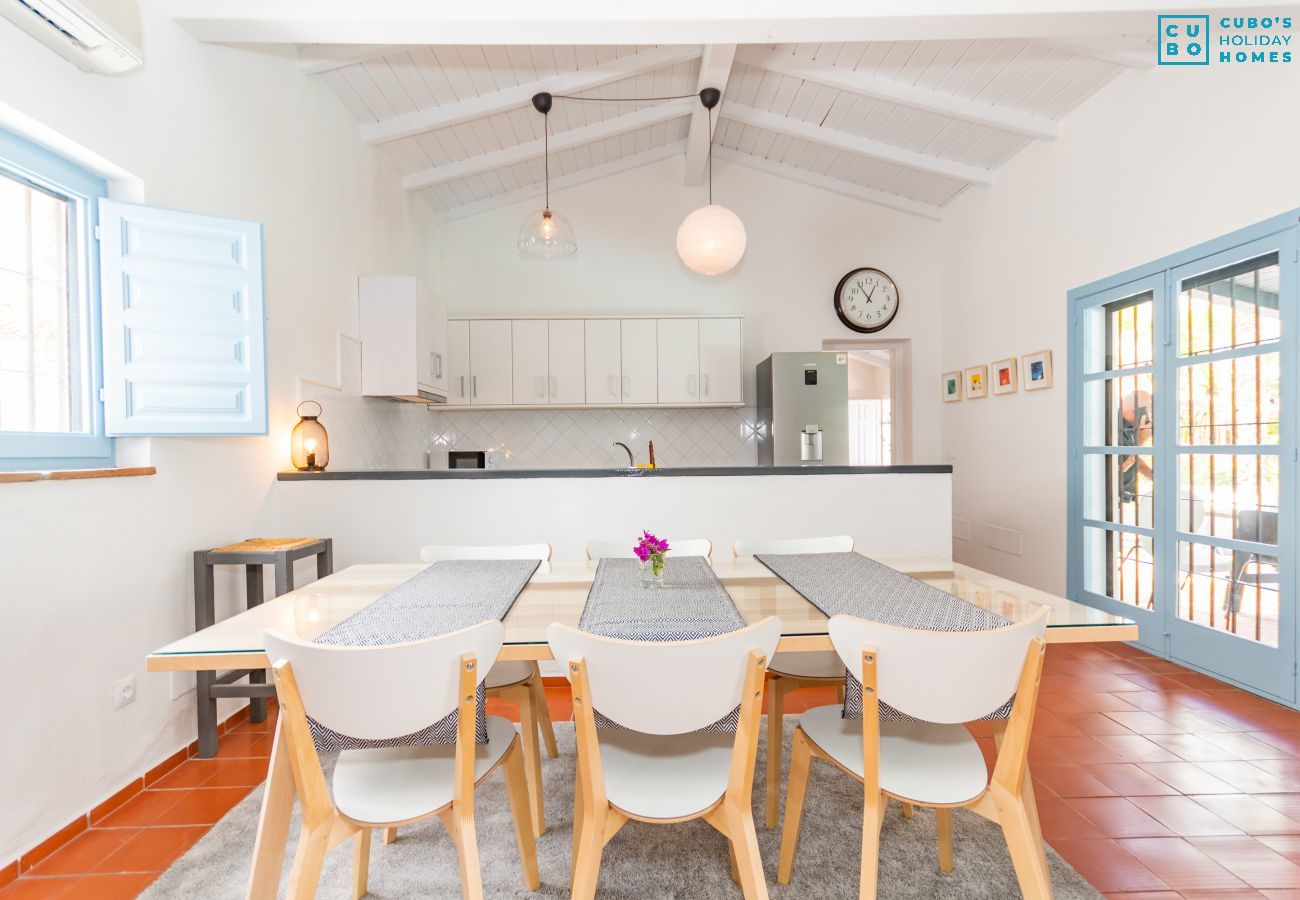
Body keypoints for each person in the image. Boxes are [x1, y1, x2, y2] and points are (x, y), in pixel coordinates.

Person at [1118, 389, 1154, 504]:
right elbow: (1123, 464)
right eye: (1148, 412)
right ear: (1139, 412)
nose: (1148, 418)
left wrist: (1153, 475)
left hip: (1125, 498)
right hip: (1114, 498)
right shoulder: (1114, 425)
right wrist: (1143, 437)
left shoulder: (1129, 426)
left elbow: (1133, 459)